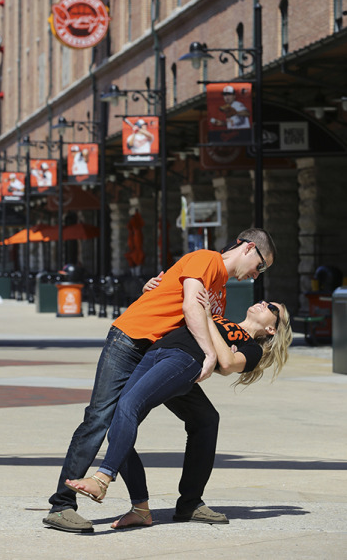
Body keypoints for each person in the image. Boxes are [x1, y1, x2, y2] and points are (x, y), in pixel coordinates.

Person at [43, 228, 276, 533]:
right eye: (261, 266)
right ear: (247, 248)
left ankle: (188, 503)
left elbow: (194, 315)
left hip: (166, 354)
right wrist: (208, 354)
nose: (256, 276)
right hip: (131, 341)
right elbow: (191, 306)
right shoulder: (207, 260)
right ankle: (62, 505)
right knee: (101, 417)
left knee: (205, 419)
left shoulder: (221, 289)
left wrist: (158, 286)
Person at [65, 293, 292, 529]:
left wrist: (206, 318)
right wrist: (151, 291)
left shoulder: (249, 346)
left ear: (271, 329)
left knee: (130, 405)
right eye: (266, 301)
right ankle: (141, 508)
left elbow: (227, 363)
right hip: (155, 353)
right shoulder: (223, 320)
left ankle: (103, 478)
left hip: (183, 361)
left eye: (272, 308)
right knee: (120, 426)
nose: (264, 303)